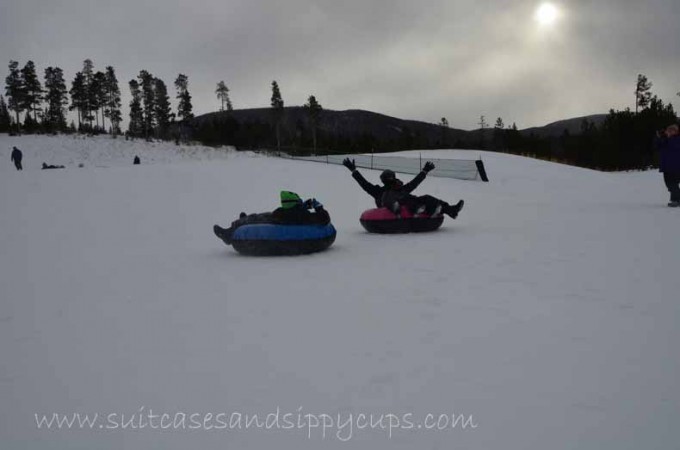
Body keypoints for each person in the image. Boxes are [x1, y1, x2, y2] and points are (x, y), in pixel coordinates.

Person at [342, 158, 464, 218]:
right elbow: (364, 183)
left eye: (392, 178)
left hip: (406, 204)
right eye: (390, 179)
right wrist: (353, 170)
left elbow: (414, 183)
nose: (392, 181)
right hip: (391, 208)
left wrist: (424, 171)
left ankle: (450, 210)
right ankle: (417, 209)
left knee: (426, 197)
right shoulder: (379, 191)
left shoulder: (401, 189)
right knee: (400, 198)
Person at [214, 191, 330, 245]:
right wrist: (319, 208)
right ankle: (232, 231)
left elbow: (296, 211)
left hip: (277, 219)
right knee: (258, 217)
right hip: (277, 219)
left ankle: (232, 230)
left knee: (257, 217)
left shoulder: (289, 211)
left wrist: (302, 207)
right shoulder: (303, 214)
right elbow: (325, 219)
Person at [655, 124, 680, 207]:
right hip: (666, 166)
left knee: (672, 183)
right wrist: (659, 137)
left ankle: (676, 200)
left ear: (676, 131)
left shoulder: (676, 139)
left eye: (671, 130)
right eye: (668, 130)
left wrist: (665, 138)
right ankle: (676, 199)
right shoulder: (666, 139)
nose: (668, 132)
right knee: (669, 184)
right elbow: (657, 146)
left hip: (675, 166)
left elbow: (673, 146)